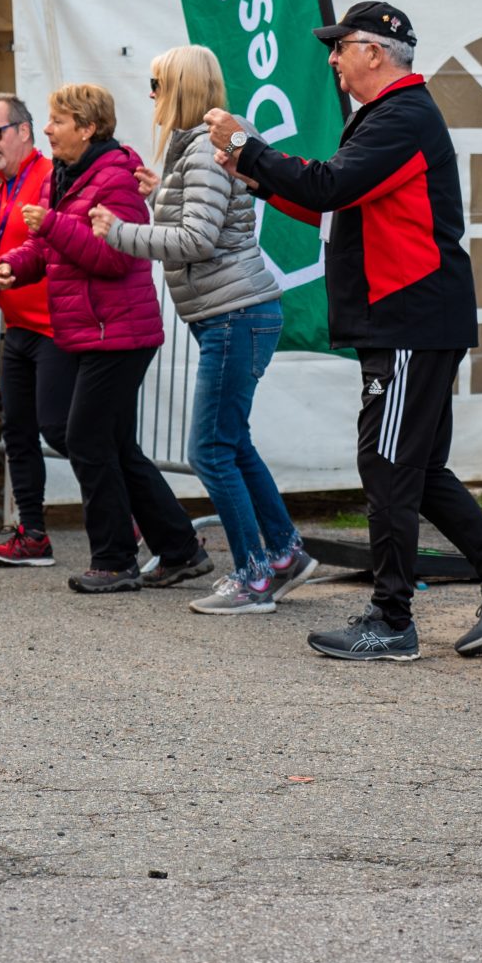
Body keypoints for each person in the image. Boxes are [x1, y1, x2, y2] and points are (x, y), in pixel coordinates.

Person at [210, 1, 482, 662]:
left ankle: (392, 619)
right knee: (415, 468)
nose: (332, 59)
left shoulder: (402, 115)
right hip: (413, 318)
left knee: (388, 464)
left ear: (373, 51)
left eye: (339, 47)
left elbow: (331, 186)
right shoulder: (389, 116)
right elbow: (337, 205)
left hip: (409, 319)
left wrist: (250, 147)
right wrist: (258, 180)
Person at [97, 46, 314, 614]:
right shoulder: (196, 147)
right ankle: (284, 554)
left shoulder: (203, 149)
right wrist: (157, 193)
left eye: (156, 83)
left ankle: (252, 577)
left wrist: (118, 232)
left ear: (179, 87)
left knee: (210, 451)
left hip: (235, 313)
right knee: (231, 441)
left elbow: (197, 240)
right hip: (232, 312)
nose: (150, 94)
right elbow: (205, 219)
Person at [0, 82, 208, 596]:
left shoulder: (115, 179)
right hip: (87, 331)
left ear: (88, 127)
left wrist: (52, 225)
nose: (48, 129)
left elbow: (113, 256)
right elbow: (47, 250)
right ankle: (180, 548)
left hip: (120, 333)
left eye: (58, 121)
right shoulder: (63, 177)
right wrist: (11, 266)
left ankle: (114, 560)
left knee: (89, 439)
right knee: (107, 442)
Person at [0, 92, 65, 567]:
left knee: (65, 431)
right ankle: (32, 535)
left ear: (24, 130)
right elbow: (0, 253)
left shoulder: (49, 177)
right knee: (17, 433)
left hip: (57, 328)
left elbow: (53, 247)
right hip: (18, 327)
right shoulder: (1, 190)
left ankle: (129, 511)